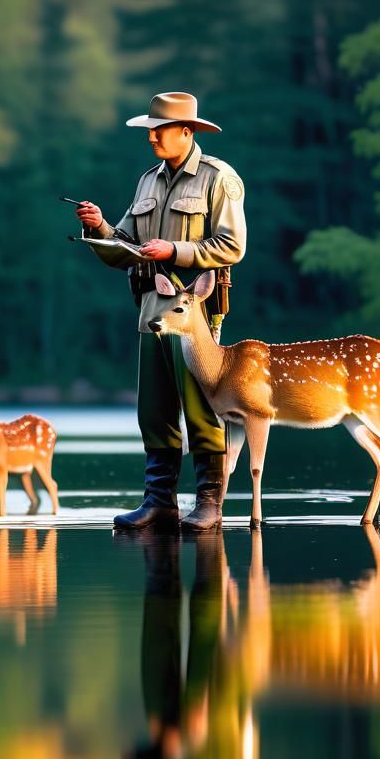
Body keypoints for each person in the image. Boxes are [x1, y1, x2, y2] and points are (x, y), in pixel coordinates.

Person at [75, 91, 246, 531]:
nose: (151, 137)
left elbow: (233, 245)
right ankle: (159, 503)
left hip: (195, 318)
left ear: (186, 131)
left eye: (159, 130)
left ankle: (210, 503)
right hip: (151, 311)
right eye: (150, 130)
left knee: (200, 409)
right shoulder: (147, 181)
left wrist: (175, 249)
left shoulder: (218, 178)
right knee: (153, 410)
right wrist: (98, 228)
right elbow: (124, 250)